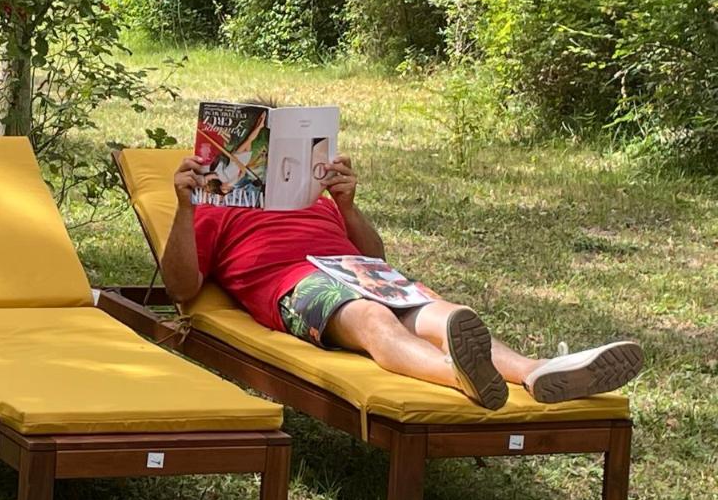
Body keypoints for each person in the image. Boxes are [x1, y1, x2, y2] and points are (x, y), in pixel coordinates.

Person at [162, 152, 644, 409]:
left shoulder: (316, 199)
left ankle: (536, 370)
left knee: (443, 312)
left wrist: (346, 206)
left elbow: (376, 256)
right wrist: (185, 208)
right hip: (296, 283)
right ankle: (461, 376)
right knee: (372, 317)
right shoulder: (215, 206)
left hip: (356, 269)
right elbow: (183, 289)